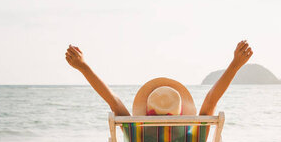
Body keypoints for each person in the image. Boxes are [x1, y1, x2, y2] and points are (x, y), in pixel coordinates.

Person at [65, 40, 253, 116]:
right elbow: (211, 101)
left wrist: (83, 67)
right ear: (180, 111)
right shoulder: (193, 136)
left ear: (147, 111)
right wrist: (235, 65)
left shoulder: (138, 136)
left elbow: (113, 102)